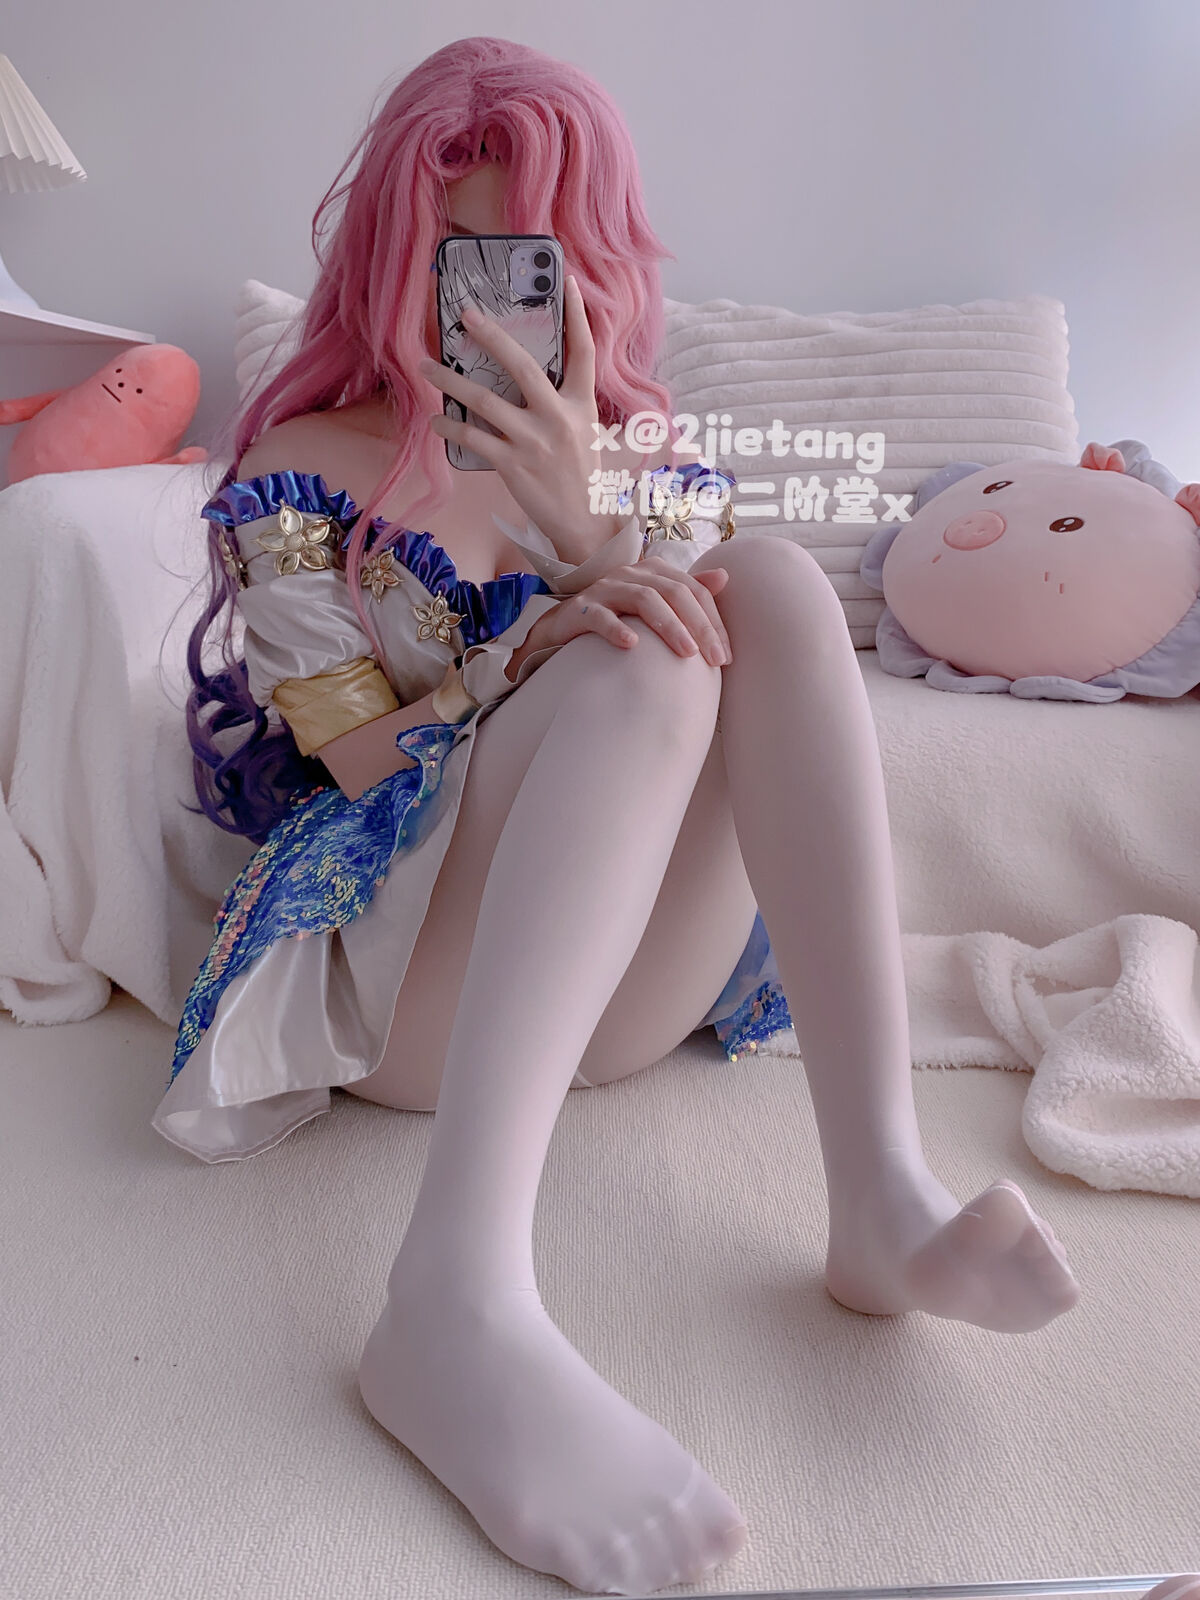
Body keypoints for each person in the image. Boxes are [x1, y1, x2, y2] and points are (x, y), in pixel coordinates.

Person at [154, 36, 1082, 1599]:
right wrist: (531, 645)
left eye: (536, 263)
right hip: (414, 991)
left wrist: (591, 534)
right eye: (458, 259)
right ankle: (455, 1293)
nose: (494, 306)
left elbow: (726, 660)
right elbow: (356, 767)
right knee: (639, 661)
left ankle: (877, 1191)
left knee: (765, 585)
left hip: (625, 986)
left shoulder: (647, 464)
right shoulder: (305, 472)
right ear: (389, 254)